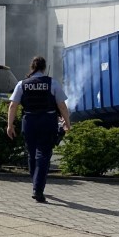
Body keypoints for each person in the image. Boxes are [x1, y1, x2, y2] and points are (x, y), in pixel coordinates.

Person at [7, 56, 72, 204]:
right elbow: (62, 106)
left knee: (32, 154)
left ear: (32, 67)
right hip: (47, 122)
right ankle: (38, 189)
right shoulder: (52, 83)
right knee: (43, 155)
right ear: (44, 68)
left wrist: (10, 125)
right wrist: (67, 123)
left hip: (29, 121)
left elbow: (13, 106)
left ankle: (35, 183)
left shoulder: (22, 84)